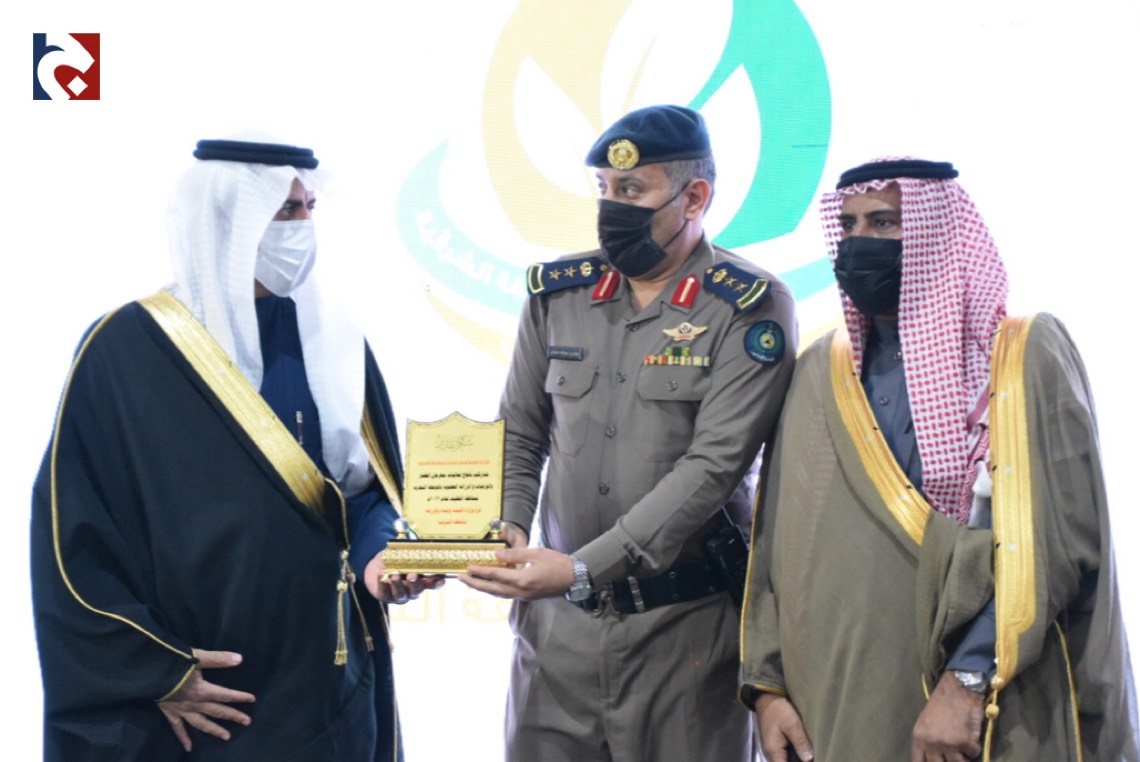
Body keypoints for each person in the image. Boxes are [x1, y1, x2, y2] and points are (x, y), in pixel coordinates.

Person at [31, 139, 433, 761]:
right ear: (227, 219)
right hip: (203, 696)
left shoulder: (334, 339)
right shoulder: (125, 348)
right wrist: (154, 670)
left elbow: (364, 493)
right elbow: (73, 541)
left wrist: (382, 556)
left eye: (309, 207)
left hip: (328, 678)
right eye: (285, 210)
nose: (302, 226)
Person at [740, 158, 1140, 761]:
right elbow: (776, 543)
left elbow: (1054, 544)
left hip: (985, 703)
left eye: (884, 223)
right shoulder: (819, 369)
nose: (859, 242)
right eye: (848, 225)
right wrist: (768, 687)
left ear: (938, 231)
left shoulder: (1020, 356)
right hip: (834, 698)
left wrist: (967, 682)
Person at [461, 105, 797, 761]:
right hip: (557, 639)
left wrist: (583, 567)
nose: (611, 208)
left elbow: (713, 467)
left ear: (693, 197)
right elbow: (521, 433)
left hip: (682, 636)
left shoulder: (747, 306)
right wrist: (508, 526)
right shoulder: (558, 295)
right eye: (604, 189)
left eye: (633, 190)